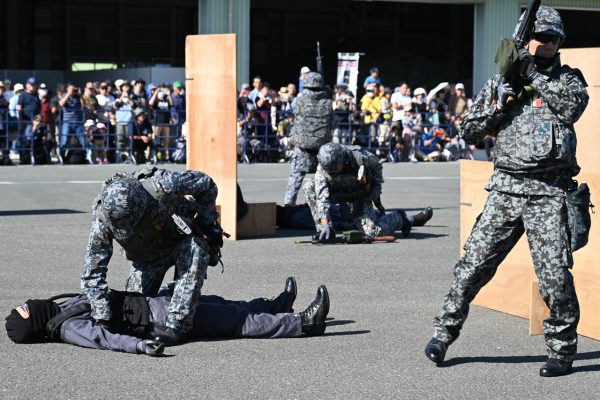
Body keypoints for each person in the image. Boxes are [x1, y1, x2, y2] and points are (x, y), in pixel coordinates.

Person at [424, 6, 589, 378]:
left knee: (554, 278)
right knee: (472, 268)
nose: (547, 44)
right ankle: (443, 333)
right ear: (527, 39)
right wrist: (499, 105)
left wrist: (533, 75)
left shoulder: (568, 79)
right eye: (541, 37)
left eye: (554, 39)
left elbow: (571, 108)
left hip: (549, 193)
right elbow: (468, 130)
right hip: (506, 189)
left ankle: (561, 350)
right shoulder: (502, 82)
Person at [80, 167, 225, 345]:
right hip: (147, 259)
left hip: (181, 242)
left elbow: (206, 184)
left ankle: (177, 325)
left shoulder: (164, 185)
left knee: (196, 248)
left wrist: (210, 225)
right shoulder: (103, 217)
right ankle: (176, 292)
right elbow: (93, 272)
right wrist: (102, 316)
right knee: (136, 313)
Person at [5, 277, 331, 355]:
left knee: (218, 302)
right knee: (235, 322)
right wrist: (139, 347)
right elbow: (104, 339)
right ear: (33, 321)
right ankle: (303, 323)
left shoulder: (61, 309)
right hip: (159, 319)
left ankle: (275, 305)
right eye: (26, 309)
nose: (29, 302)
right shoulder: (69, 327)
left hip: (155, 302)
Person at [304, 143, 433, 240]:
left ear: (342, 159)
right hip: (336, 193)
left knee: (372, 232)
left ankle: (399, 218)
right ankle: (325, 230)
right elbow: (321, 196)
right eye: (329, 169)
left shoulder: (360, 157)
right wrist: (325, 222)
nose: (331, 171)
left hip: (358, 193)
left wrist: (375, 191)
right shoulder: (324, 166)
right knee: (309, 186)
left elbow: (377, 166)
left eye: (335, 168)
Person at [284, 72, 332, 206]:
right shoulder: (328, 103)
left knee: (295, 178)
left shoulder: (299, 101)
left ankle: (289, 205)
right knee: (324, 180)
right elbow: (332, 124)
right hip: (322, 150)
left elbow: (293, 109)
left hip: (302, 148)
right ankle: (325, 206)